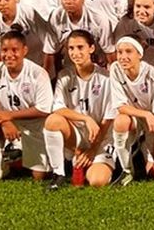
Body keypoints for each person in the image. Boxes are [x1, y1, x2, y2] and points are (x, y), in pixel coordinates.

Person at [0, 26, 54, 187]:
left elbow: (43, 109)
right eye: (4, 50)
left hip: (34, 127)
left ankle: (18, 156)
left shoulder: (38, 73)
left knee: (39, 176)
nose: (9, 55)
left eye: (14, 50)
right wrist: (5, 122)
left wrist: (9, 116)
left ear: (25, 50)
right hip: (7, 124)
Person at [43, 30, 117, 190]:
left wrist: (92, 150)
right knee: (52, 121)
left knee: (97, 181)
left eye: (80, 47)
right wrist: (86, 119)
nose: (75, 53)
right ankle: (59, 174)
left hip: (101, 139)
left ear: (91, 48)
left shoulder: (106, 78)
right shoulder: (64, 76)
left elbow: (108, 119)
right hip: (77, 137)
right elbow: (57, 108)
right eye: (71, 48)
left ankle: (84, 162)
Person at [110, 35, 154, 186]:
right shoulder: (115, 69)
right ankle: (127, 170)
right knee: (121, 121)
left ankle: (143, 148)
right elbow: (121, 107)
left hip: (153, 121)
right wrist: (145, 114)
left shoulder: (152, 74)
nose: (123, 56)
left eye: (128, 52)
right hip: (134, 116)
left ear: (139, 54)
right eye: (120, 52)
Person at [43, 0, 115, 77]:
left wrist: (117, 78)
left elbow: (110, 52)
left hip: (97, 66)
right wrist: (45, 78)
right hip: (69, 67)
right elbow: (50, 52)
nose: (68, 1)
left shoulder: (99, 19)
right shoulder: (56, 16)